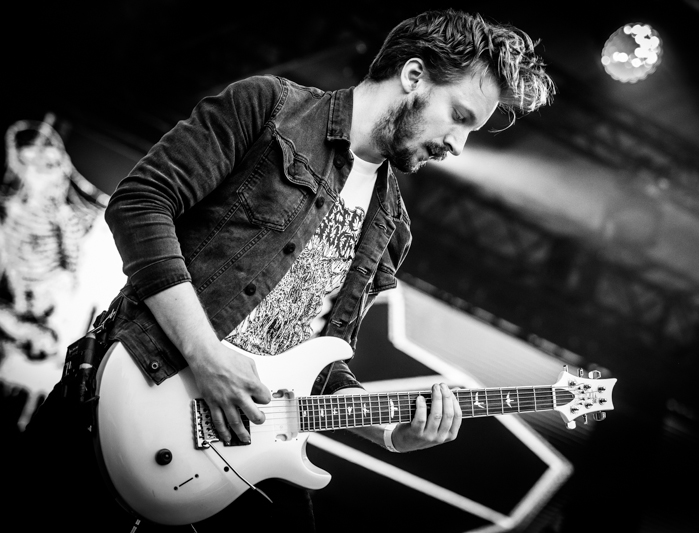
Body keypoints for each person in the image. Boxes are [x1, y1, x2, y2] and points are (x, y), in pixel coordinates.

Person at [16, 8, 553, 531]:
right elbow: (140, 203)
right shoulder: (270, 108)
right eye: (460, 116)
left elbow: (323, 366)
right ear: (413, 75)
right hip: (128, 395)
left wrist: (393, 433)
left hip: (243, 449)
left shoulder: (391, 228)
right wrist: (206, 357)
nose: (458, 145)